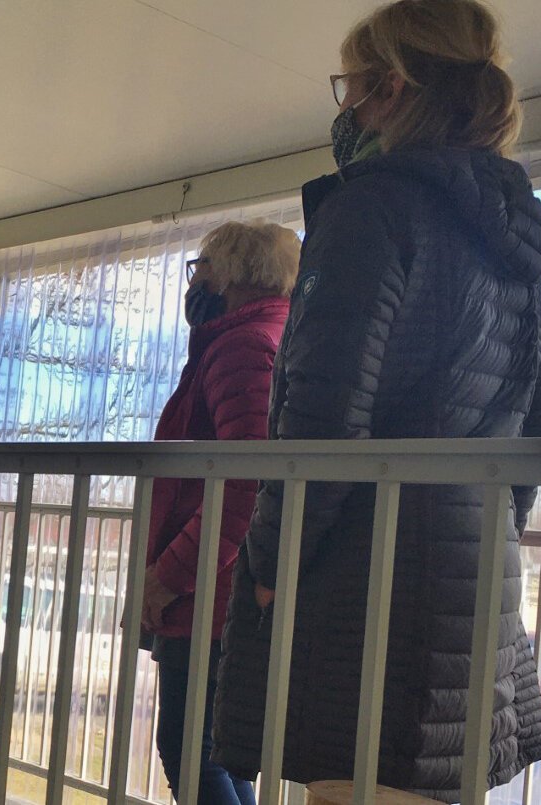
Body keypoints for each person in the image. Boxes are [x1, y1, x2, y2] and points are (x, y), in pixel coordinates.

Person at [211, 1, 541, 801]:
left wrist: (271, 562)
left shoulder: (370, 209)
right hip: (478, 598)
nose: (345, 110)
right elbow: (534, 430)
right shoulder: (513, 234)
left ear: (392, 90)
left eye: (351, 89)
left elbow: (322, 416)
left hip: (370, 596)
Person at [142, 220, 299, 803]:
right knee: (218, 751)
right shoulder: (270, 337)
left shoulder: (241, 347)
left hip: (213, 587)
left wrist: (170, 575)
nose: (196, 280)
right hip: (231, 584)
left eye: (202, 266)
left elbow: (243, 482)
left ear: (233, 274)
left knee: (189, 750)